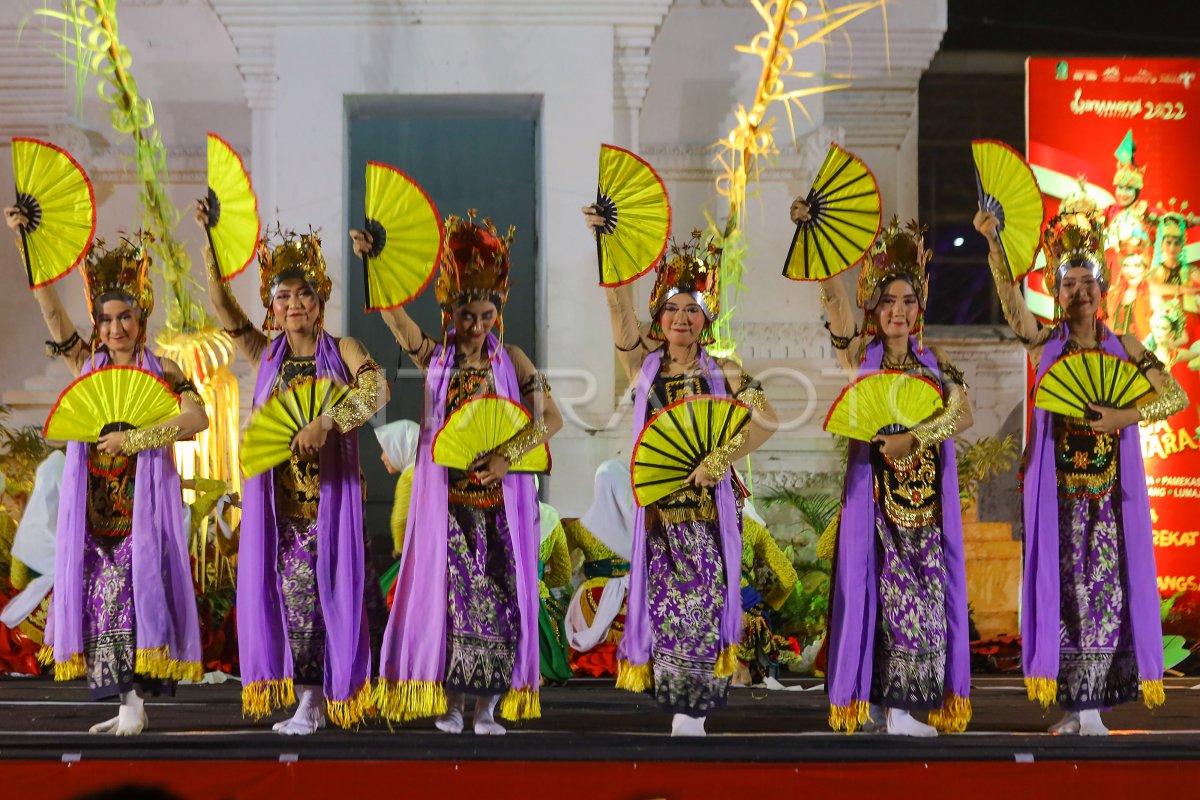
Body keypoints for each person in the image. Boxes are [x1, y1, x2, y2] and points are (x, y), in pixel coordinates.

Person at [975, 197, 1188, 736]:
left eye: (1087, 280)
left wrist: (1123, 414)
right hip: (1061, 499)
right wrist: (994, 243)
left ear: (1103, 286)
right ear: (1055, 289)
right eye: (1067, 283)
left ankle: (1093, 710)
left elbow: (1174, 398)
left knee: (1103, 596)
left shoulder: (1128, 347)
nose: (1079, 292)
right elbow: (1011, 308)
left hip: (1110, 502)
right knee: (1065, 599)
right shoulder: (1046, 343)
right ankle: (1077, 707)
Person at [5, 207, 207, 736]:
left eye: (126, 317)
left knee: (130, 599)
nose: (116, 328)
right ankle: (126, 705)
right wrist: (30, 246)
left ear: (142, 319)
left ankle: (134, 705)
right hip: (92, 512)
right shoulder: (86, 366)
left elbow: (196, 418)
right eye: (106, 319)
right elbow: (52, 315)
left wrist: (136, 439)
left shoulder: (163, 370)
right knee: (100, 606)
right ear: (98, 325)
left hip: (140, 514)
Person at [362, 212, 562, 735]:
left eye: (485, 314)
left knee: (497, 604)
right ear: (450, 312)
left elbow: (551, 419)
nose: (475, 326)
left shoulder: (514, 360)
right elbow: (398, 323)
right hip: (448, 509)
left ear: (499, 311)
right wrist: (377, 266)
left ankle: (487, 708)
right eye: (465, 315)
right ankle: (451, 704)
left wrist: (507, 456)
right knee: (448, 606)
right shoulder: (435, 356)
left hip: (496, 510)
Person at [582, 210, 778, 737]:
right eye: (673, 308)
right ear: (660, 316)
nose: (683, 318)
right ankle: (680, 708)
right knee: (667, 608)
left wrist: (722, 456)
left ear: (707, 317)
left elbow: (767, 420)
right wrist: (608, 243)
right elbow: (617, 308)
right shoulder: (643, 368)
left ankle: (694, 710)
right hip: (659, 520)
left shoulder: (727, 370)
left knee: (704, 605)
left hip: (709, 519)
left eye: (693, 309)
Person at [199, 201, 386, 734]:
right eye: (283, 295)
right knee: (295, 602)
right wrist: (211, 242)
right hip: (281, 511)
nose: (295, 302)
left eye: (304, 292)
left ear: (320, 297)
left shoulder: (343, 347)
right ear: (272, 307)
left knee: (337, 598)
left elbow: (376, 389)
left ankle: (328, 699)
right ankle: (309, 701)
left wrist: (327, 422)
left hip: (331, 505)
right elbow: (223, 308)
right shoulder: (266, 355)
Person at [790, 200, 975, 737]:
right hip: (876, 509)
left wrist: (917, 436)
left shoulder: (940, 366)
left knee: (923, 602)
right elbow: (834, 304)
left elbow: (961, 417)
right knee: (877, 595)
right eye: (888, 300)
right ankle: (888, 709)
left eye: (908, 300)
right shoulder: (861, 355)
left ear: (920, 308)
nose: (898, 309)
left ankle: (900, 708)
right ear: (875, 307)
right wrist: (816, 241)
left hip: (925, 510)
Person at [563, 460, 635, 678]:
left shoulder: (580, 527)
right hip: (632, 593)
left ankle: (591, 657)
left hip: (591, 596)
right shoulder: (641, 525)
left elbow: (565, 567)